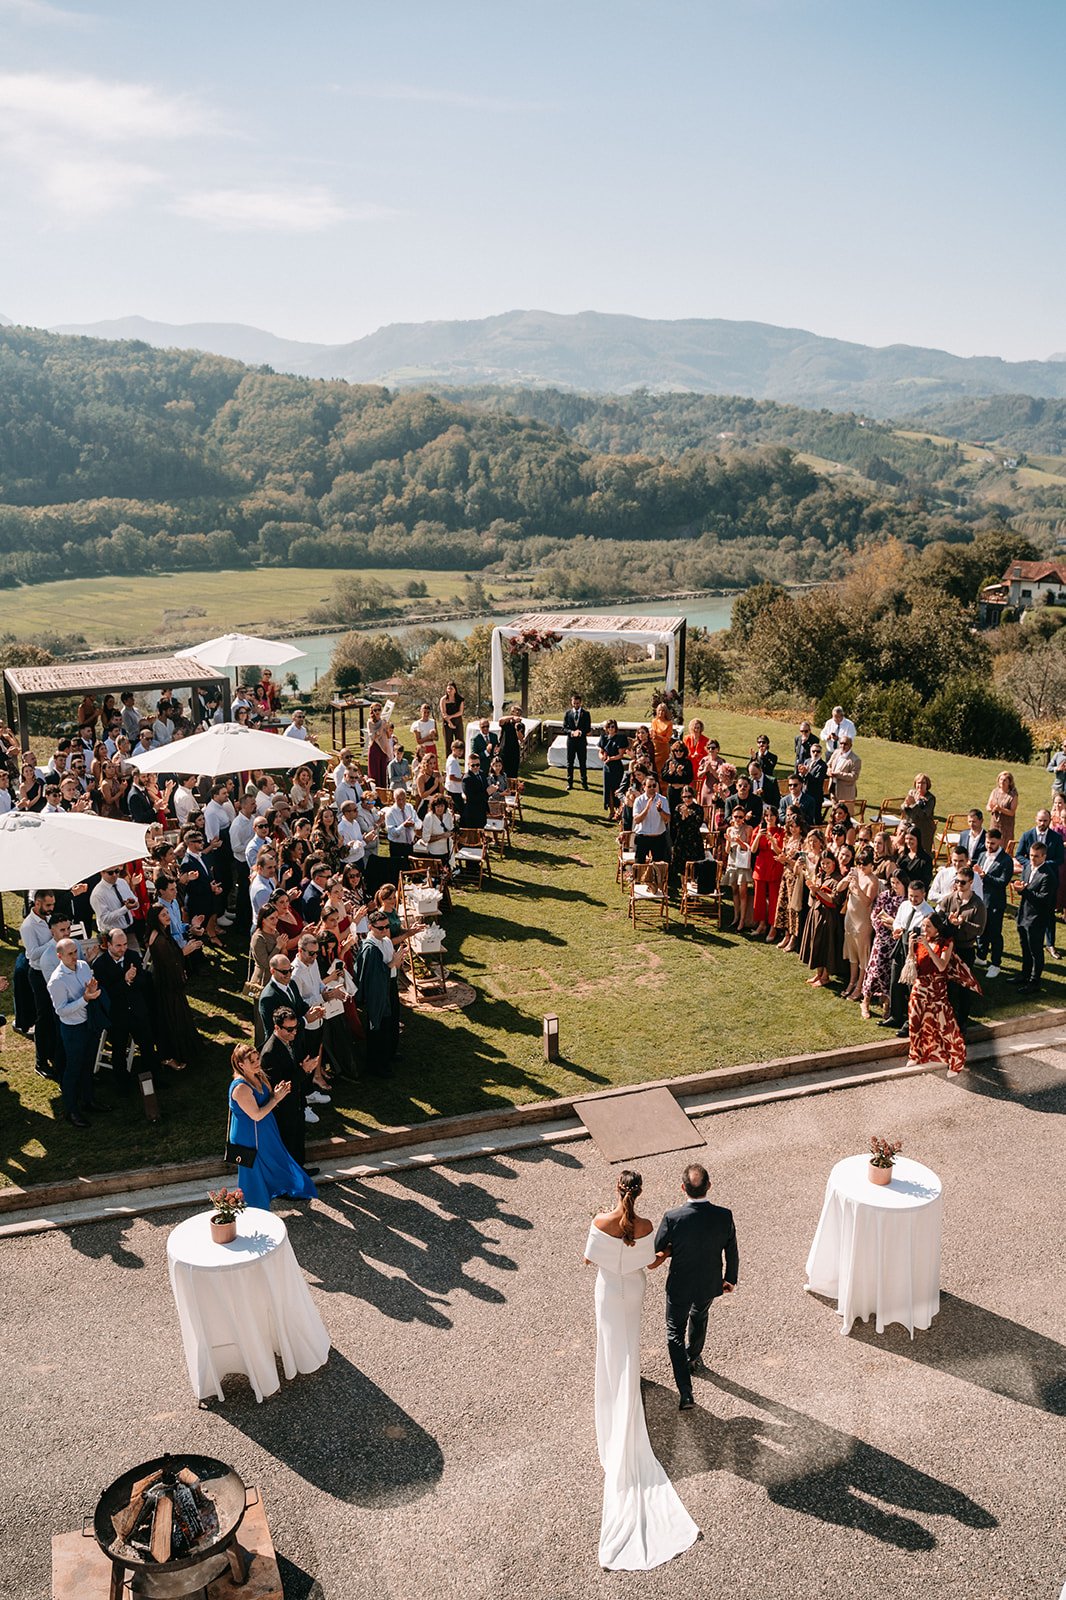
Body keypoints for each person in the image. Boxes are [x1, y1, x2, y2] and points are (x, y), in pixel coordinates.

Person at [583, 1170, 698, 1571]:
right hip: (632, 1289)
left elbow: (589, 1257)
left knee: (610, 1344)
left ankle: (616, 1387)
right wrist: (661, 1255)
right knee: (629, 1343)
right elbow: (650, 1264)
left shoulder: (599, 1222)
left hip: (607, 1290)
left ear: (617, 1191)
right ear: (640, 1193)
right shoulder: (647, 1225)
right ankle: (628, 1385)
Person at [650, 1162, 738, 1412]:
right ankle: (693, 1355)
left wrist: (670, 1250)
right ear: (709, 1186)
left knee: (673, 1332)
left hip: (680, 1283)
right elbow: (731, 1248)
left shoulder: (673, 1217)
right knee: (700, 1315)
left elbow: (658, 1246)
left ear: (682, 1188)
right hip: (709, 1282)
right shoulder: (724, 1215)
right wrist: (730, 1278)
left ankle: (686, 1392)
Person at [906, 912, 980, 1076]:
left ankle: (955, 1060)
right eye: (924, 926)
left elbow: (941, 966)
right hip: (920, 987)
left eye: (928, 926)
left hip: (937, 989)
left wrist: (926, 945)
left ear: (938, 928)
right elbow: (913, 966)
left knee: (944, 1024)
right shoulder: (920, 942)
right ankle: (916, 1054)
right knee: (915, 1021)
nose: (925, 929)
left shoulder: (947, 942)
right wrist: (911, 948)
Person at [91, 927, 157, 1093]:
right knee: (118, 1051)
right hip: (117, 1015)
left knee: (148, 1046)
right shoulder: (100, 965)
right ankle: (122, 1084)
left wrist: (133, 980)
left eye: (125, 944)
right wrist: (126, 981)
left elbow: (143, 981)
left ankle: (152, 1079)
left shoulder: (133, 956)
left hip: (137, 1010)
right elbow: (107, 993)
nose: (123, 949)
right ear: (109, 945)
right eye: (118, 945)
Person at [47, 938, 104, 1128]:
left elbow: (87, 985)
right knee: (73, 1069)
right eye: (69, 954)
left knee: (88, 1064)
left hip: (89, 1022)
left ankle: (89, 1100)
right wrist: (85, 999)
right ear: (59, 956)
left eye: (75, 952)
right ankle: (70, 1110)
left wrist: (91, 990)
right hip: (73, 1029)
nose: (74, 956)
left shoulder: (82, 966)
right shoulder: (56, 980)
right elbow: (61, 1010)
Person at [259, 1008, 322, 1172]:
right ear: (276, 1028)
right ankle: (290, 1177)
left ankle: (300, 1170)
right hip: (284, 1107)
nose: (294, 1032)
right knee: (288, 1141)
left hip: (296, 1101)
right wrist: (304, 1071)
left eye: (295, 1028)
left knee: (298, 1137)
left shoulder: (289, 1041)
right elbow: (281, 1086)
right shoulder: (270, 1053)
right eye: (289, 1029)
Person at [144, 904, 201, 1070]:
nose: (167, 917)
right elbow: (168, 960)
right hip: (165, 985)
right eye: (163, 915)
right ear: (156, 918)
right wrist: (185, 951)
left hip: (170, 982)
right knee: (170, 1017)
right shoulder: (158, 938)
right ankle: (170, 1055)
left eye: (167, 913)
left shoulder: (163, 932)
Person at [879, 877, 932, 1034]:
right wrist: (897, 929)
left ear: (923, 894)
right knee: (895, 982)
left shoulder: (928, 912)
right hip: (900, 947)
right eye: (910, 896)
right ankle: (895, 1016)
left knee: (911, 988)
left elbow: (927, 933)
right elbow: (898, 922)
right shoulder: (904, 905)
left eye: (916, 896)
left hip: (915, 952)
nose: (913, 899)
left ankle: (911, 1021)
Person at [941, 864, 986, 1030]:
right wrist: (948, 920)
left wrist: (963, 923)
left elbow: (980, 929)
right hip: (949, 948)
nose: (959, 885)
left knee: (963, 986)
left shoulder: (977, 904)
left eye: (963, 883)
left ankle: (962, 1020)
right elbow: (938, 916)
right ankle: (949, 1017)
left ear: (971, 883)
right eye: (957, 881)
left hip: (965, 949)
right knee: (949, 984)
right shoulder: (950, 898)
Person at [1012, 839, 1057, 994]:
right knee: (1024, 946)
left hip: (1036, 919)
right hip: (1023, 914)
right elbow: (1026, 887)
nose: (1033, 858)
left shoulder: (1047, 875)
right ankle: (1024, 974)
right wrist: (1020, 887)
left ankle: (1034, 981)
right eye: (1031, 855)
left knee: (1035, 950)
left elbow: (1043, 900)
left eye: (1036, 856)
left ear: (1044, 856)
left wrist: (1023, 891)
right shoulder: (1027, 868)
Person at [861, 868, 905, 1020]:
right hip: (882, 939)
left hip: (897, 941)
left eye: (897, 883)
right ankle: (865, 1001)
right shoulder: (884, 896)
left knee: (890, 974)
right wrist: (884, 925)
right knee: (875, 970)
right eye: (892, 883)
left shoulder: (906, 901)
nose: (894, 886)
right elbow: (875, 915)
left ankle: (887, 1003)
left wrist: (894, 925)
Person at [974, 829, 1013, 980]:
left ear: (1000, 841)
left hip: (996, 902)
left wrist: (984, 875)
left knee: (995, 934)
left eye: (992, 843)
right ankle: (981, 956)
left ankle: (996, 964)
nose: (989, 846)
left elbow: (1003, 882)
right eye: (987, 842)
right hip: (981, 900)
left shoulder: (1006, 860)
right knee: (982, 930)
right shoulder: (982, 855)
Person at [633, 777, 671, 865]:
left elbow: (667, 819)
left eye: (654, 786)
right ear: (644, 787)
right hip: (643, 837)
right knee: (639, 865)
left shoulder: (663, 800)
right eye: (649, 786)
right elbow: (637, 820)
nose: (652, 789)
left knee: (658, 866)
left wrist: (660, 810)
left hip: (658, 837)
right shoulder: (639, 800)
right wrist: (647, 808)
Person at [563, 692, 592, 791]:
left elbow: (588, 728)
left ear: (581, 703)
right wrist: (571, 732)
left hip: (581, 742)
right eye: (574, 703)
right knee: (569, 763)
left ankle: (584, 783)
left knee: (582, 762)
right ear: (572, 703)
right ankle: (570, 783)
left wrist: (580, 732)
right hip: (571, 741)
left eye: (577, 703)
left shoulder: (586, 714)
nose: (576, 705)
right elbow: (564, 728)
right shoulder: (568, 713)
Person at [987, 771, 1019, 851]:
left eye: (1005, 780)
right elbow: (988, 806)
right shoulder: (995, 791)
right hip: (995, 823)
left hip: (1006, 826)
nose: (1002, 782)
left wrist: (1000, 809)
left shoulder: (1013, 795)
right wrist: (991, 808)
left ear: (1009, 782)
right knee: (992, 844)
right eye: (1001, 779)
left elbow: (1012, 812)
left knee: (1005, 847)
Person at [826, 735, 861, 805]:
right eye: (841, 743)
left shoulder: (855, 759)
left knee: (846, 814)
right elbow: (829, 764)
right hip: (833, 787)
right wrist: (829, 770)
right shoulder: (836, 752)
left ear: (850, 745)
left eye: (845, 744)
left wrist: (838, 775)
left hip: (846, 792)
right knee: (834, 812)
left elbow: (854, 776)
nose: (843, 746)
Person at [497, 705, 525, 781]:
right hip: (504, 749)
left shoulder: (521, 725)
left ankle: (512, 788)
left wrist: (518, 730)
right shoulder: (506, 722)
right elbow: (500, 721)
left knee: (512, 771)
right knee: (501, 769)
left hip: (514, 750)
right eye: (512, 711)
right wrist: (512, 718)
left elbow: (521, 739)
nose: (513, 713)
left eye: (515, 712)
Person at [439, 681, 465, 747]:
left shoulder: (460, 700)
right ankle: (449, 756)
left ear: (455, 690)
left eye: (451, 689)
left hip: (457, 721)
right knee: (448, 742)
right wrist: (449, 722)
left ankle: (461, 756)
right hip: (447, 722)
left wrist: (451, 716)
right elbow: (443, 713)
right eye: (448, 688)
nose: (449, 690)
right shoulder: (443, 699)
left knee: (460, 740)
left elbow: (460, 712)